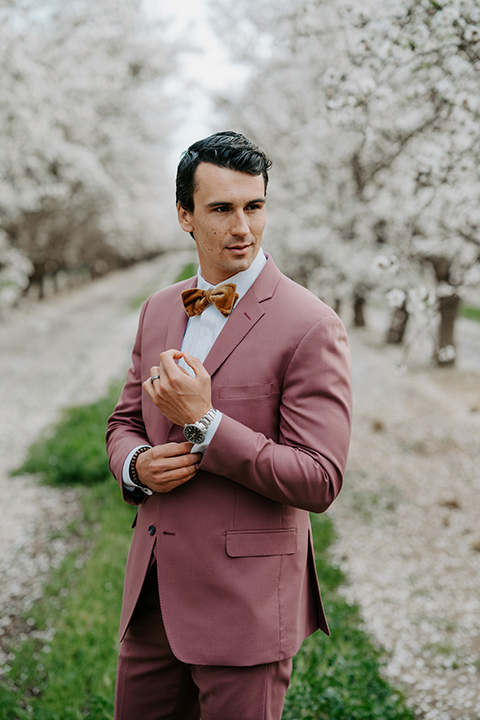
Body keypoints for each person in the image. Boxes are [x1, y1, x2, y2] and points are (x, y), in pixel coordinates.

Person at [106, 130, 352, 720]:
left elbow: (320, 479)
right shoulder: (160, 307)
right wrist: (136, 466)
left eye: (255, 205)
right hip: (153, 599)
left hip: (245, 607)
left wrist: (205, 425)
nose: (242, 226)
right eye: (222, 209)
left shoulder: (311, 325)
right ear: (185, 217)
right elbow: (123, 422)